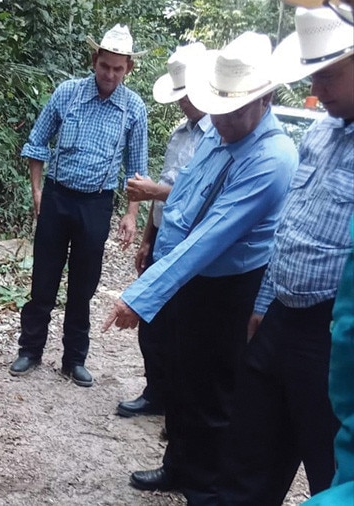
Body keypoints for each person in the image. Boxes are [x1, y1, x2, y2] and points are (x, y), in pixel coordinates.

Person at [103, 32, 298, 504]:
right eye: (219, 108)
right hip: (189, 277)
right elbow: (187, 197)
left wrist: (142, 294)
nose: (222, 120)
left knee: (213, 393)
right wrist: (157, 255)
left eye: (234, 110)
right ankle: (178, 467)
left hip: (229, 286)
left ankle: (203, 487)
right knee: (181, 377)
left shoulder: (272, 159)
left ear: (266, 98)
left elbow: (211, 238)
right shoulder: (218, 129)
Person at [216, 7, 354, 505]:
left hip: (333, 335)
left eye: (330, 73)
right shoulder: (320, 132)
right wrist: (264, 302)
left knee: (329, 462)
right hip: (281, 319)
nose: (320, 85)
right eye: (314, 72)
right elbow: (291, 224)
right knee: (249, 450)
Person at [8, 24, 148, 387]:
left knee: (83, 285)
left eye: (118, 69)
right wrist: (37, 191)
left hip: (97, 204)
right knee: (44, 279)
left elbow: (136, 170)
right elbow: (37, 142)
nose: (110, 75)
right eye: (105, 66)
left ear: (129, 69)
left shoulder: (133, 109)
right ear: (94, 61)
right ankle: (30, 350)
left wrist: (131, 215)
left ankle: (74, 359)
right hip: (57, 197)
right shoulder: (67, 94)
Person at [117, 42, 210, 418]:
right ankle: (156, 392)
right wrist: (147, 238)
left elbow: (200, 197)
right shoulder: (179, 133)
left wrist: (154, 191)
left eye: (186, 95)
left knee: (182, 328)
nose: (182, 103)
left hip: (193, 248)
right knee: (152, 322)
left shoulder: (216, 138)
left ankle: (178, 402)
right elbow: (164, 193)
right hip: (163, 239)